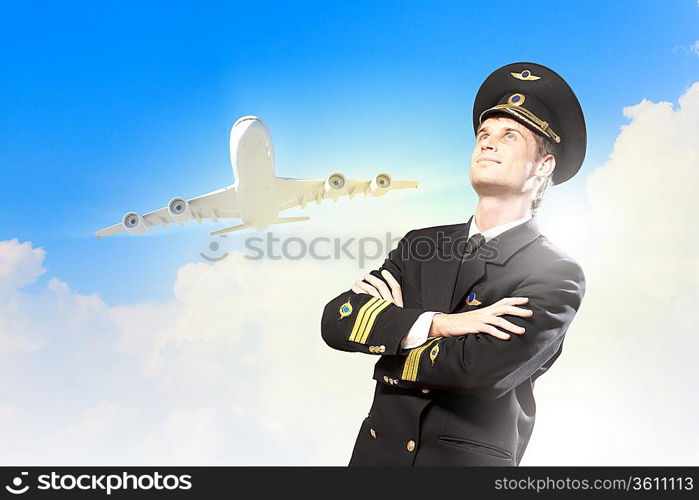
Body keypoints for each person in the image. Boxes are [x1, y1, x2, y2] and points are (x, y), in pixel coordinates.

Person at [320, 62, 587, 466]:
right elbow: (337, 320)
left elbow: (479, 371)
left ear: (544, 166)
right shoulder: (421, 244)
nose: (487, 143)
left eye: (509, 135)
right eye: (484, 134)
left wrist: (392, 339)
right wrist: (440, 324)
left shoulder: (556, 273)